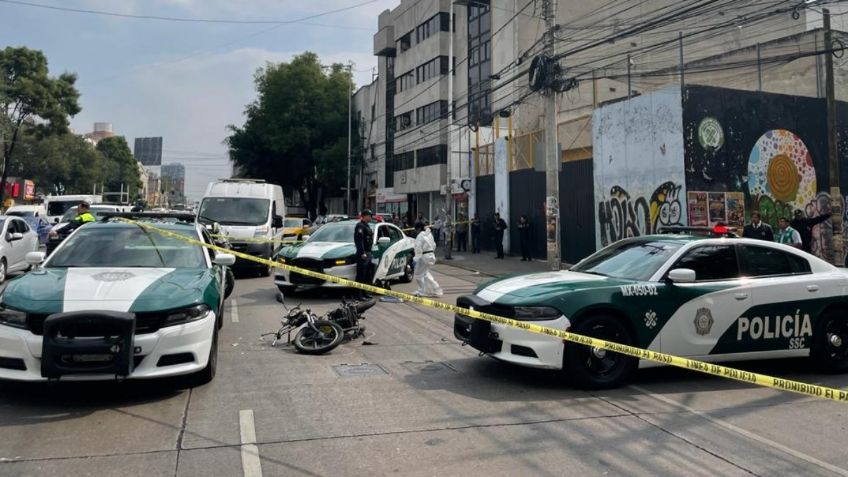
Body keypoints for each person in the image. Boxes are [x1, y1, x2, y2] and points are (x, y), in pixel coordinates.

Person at [413, 225, 443, 297]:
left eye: (416, 230)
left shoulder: (420, 236)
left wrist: (416, 259)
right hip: (431, 255)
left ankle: (422, 291)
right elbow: (434, 245)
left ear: (419, 229)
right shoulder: (429, 234)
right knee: (425, 274)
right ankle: (437, 289)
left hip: (424, 257)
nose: (415, 232)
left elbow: (418, 248)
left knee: (418, 274)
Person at [354, 209, 375, 300]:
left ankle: (365, 293)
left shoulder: (367, 226)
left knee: (368, 275)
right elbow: (359, 241)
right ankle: (358, 295)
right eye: (370, 216)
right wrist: (362, 252)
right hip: (363, 254)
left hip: (368, 253)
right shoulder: (360, 226)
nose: (371, 217)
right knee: (361, 275)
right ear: (365, 216)